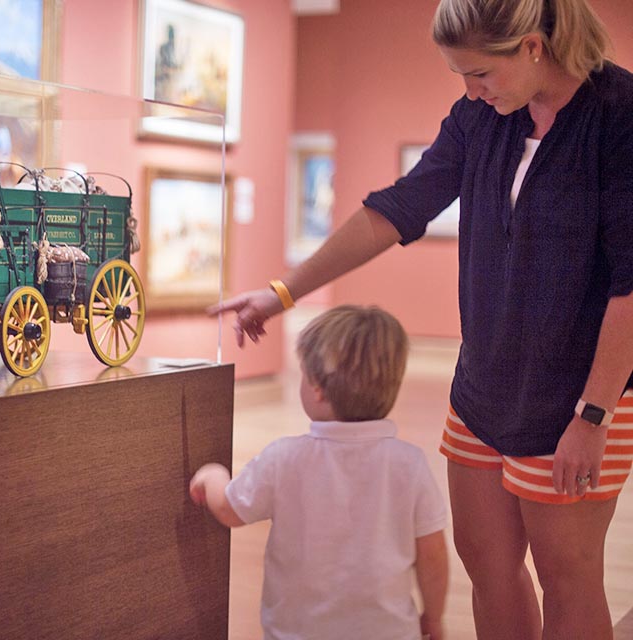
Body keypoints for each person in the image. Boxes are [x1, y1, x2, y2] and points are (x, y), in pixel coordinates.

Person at [210, 1, 633, 639]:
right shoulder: (479, 118)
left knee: (568, 577)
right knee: (489, 567)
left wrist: (593, 415)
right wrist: (283, 291)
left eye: (481, 75)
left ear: (533, 47)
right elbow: (396, 210)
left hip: (581, 399)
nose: (470, 92)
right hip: (483, 389)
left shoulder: (618, 117)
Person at [191, 305, 449, 639]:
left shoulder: (284, 457)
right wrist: (434, 617)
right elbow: (433, 555)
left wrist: (212, 476)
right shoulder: (409, 464)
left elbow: (229, 509)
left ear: (317, 388)